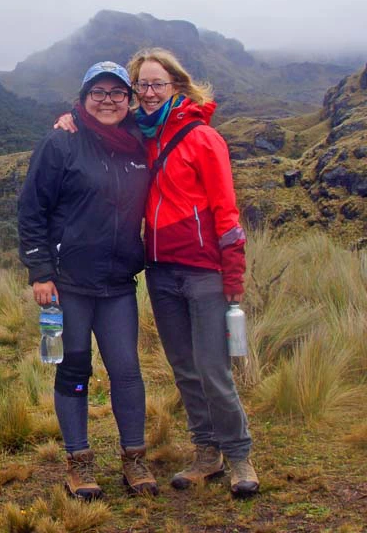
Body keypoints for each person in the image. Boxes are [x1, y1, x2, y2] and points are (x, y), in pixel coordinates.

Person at [54, 48, 258, 498]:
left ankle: (240, 456)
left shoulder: (203, 138)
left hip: (203, 269)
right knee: (185, 368)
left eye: (156, 85)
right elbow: (97, 116)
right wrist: (68, 118)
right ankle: (208, 455)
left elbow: (226, 212)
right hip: (160, 271)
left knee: (212, 367)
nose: (147, 93)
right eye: (141, 86)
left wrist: (234, 279)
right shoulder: (140, 135)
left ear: (176, 87)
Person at [18, 61, 158, 500]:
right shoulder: (62, 141)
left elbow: (178, 108)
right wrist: (40, 272)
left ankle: (134, 458)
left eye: (118, 93)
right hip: (69, 284)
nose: (108, 101)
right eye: (98, 92)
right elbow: (32, 210)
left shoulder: (140, 140)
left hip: (117, 283)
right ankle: (78, 462)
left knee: (127, 371)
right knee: (75, 370)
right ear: (83, 98)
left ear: (129, 99)